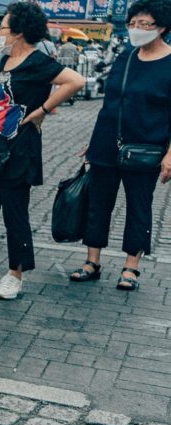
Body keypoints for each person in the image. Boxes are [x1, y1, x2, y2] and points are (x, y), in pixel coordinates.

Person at [0, 2, 84, 299]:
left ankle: (15, 274)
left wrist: (43, 111)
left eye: (3, 28)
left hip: (18, 152)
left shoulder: (37, 61)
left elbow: (76, 80)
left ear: (20, 31)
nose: (0, 33)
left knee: (14, 213)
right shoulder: (5, 60)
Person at [71, 0, 171, 291]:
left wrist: (169, 154)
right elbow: (110, 103)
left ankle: (131, 266)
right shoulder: (125, 57)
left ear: (162, 28)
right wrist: (93, 142)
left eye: (145, 24)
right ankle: (92, 261)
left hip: (145, 148)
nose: (136, 30)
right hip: (106, 144)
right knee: (98, 203)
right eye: (133, 23)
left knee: (139, 206)